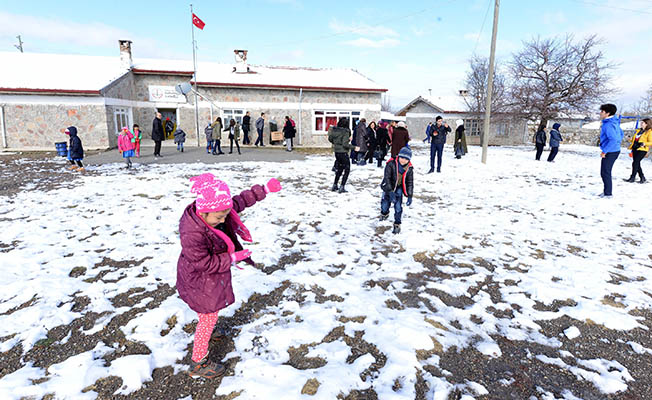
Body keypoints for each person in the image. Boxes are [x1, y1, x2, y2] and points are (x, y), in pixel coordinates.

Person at [177, 173, 282, 378]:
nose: (224, 220)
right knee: (208, 314)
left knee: (208, 311)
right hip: (200, 277)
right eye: (219, 217)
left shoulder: (216, 208)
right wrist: (231, 258)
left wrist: (264, 190)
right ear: (204, 212)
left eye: (225, 215)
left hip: (208, 277)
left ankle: (206, 332)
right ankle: (198, 363)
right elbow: (202, 263)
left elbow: (240, 201)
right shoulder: (193, 232)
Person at [380, 146, 414, 235]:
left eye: (406, 159)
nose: (403, 160)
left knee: (398, 207)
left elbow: (410, 182)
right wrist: (390, 191)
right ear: (399, 156)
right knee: (385, 204)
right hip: (388, 186)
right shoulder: (391, 164)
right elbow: (387, 178)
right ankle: (384, 213)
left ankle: (397, 223)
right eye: (402, 158)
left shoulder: (409, 168)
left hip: (399, 187)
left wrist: (410, 195)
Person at [598, 103, 624, 198]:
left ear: (607, 113)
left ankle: (608, 193)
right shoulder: (615, 122)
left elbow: (613, 139)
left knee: (605, 172)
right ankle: (606, 191)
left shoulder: (608, 124)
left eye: (602, 111)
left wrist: (605, 151)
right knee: (605, 171)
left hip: (611, 151)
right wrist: (617, 144)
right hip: (614, 149)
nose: (600, 113)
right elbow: (621, 134)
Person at [328, 117, 352, 193]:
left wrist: (336, 142)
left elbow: (330, 139)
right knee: (347, 169)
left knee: (340, 168)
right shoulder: (346, 131)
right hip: (343, 152)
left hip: (337, 152)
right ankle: (342, 186)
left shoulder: (335, 130)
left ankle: (335, 185)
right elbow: (345, 144)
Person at [625, 118, 651, 183]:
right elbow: (634, 140)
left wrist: (644, 143)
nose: (641, 124)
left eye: (642, 123)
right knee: (637, 163)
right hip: (635, 148)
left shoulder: (649, 132)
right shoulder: (638, 131)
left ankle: (632, 177)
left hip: (642, 149)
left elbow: (651, 142)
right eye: (641, 122)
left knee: (635, 162)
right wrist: (629, 139)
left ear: (647, 124)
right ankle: (642, 177)